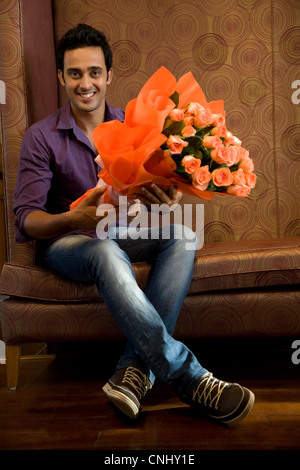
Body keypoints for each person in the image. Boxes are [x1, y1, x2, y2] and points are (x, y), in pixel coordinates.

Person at [14, 24, 255, 425]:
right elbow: (27, 221)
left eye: (94, 72)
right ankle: (189, 377)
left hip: (120, 232)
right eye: (74, 74)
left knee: (182, 235)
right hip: (68, 244)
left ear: (109, 75)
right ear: (61, 77)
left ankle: (134, 371)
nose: (85, 83)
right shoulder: (41, 137)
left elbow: (155, 194)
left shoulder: (134, 124)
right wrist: (77, 218)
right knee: (105, 249)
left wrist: (168, 196)